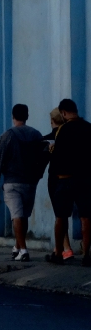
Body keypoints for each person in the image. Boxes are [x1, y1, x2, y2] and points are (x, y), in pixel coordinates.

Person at [0, 104, 43, 262]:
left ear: (13, 116)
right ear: (27, 116)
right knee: (23, 216)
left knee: (17, 215)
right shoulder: (37, 135)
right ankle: (18, 247)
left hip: (12, 182)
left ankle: (23, 249)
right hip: (31, 182)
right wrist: (38, 176)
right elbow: (43, 158)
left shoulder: (7, 136)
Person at [44, 98, 91, 267]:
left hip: (65, 180)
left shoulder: (62, 130)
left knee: (61, 217)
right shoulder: (88, 128)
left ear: (63, 113)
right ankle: (87, 254)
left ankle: (58, 252)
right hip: (85, 179)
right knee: (86, 217)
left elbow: (57, 158)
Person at [43, 108, 74, 260]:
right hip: (73, 176)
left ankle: (62, 248)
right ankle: (65, 248)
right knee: (65, 215)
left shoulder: (49, 138)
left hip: (55, 178)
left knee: (59, 216)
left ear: (52, 121)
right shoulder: (71, 134)